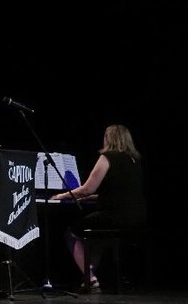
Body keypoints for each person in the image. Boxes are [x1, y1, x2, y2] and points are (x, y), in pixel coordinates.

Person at [50, 124, 147, 291]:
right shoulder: (134, 160)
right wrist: (87, 196)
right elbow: (117, 191)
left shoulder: (107, 157)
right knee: (96, 236)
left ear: (109, 138)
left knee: (72, 232)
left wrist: (63, 195)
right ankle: (90, 277)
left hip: (115, 216)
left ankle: (90, 278)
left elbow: (88, 188)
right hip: (137, 216)